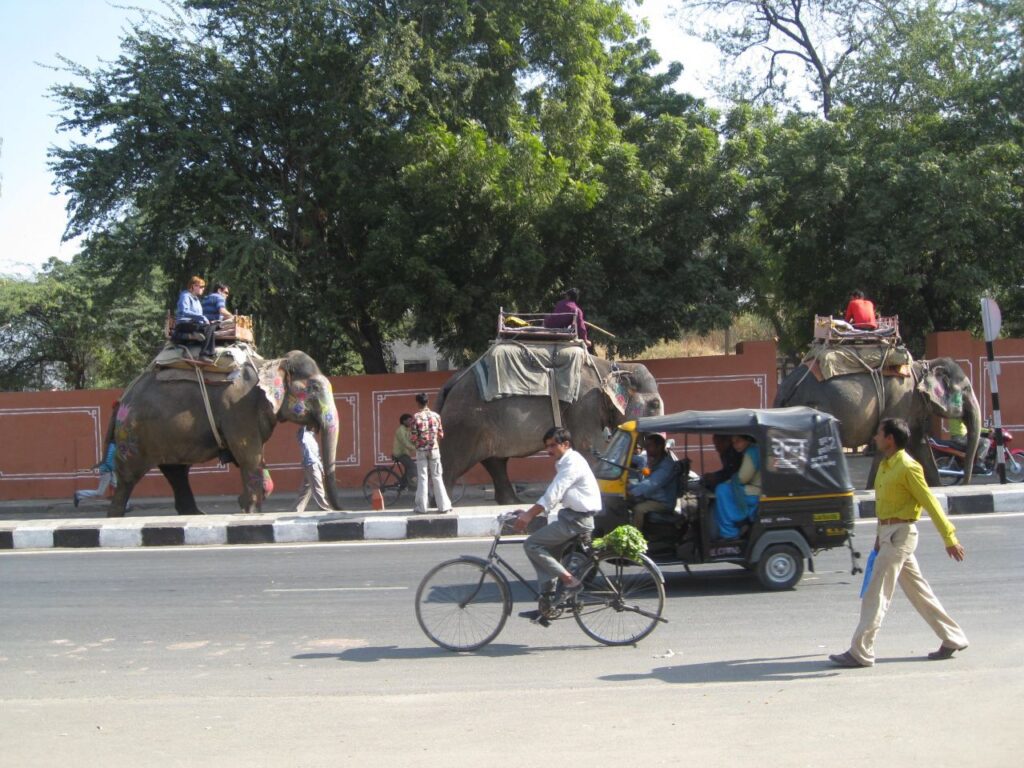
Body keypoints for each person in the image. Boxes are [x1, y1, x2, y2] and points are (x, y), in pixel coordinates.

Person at [829, 418, 969, 668]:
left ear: (890, 439)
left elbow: (930, 502)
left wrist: (950, 538)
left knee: (877, 592)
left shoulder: (907, 466)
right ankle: (953, 637)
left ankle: (861, 651)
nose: (875, 438)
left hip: (901, 535)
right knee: (919, 592)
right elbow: (885, 507)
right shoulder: (885, 465)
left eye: (879, 434)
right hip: (888, 535)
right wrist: (877, 538)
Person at [513, 427, 602, 621]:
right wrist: (528, 512)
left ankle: (570, 581)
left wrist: (529, 515)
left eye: (553, 445)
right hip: (570, 517)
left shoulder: (572, 463)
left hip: (577, 521)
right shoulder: (564, 462)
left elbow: (553, 493)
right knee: (546, 553)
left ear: (566, 444)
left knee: (532, 545)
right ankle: (547, 607)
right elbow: (554, 495)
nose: (549, 450)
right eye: (547, 446)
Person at [712, 434, 761, 539]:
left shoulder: (752, 451)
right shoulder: (750, 450)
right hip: (755, 489)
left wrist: (728, 482)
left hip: (756, 491)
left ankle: (729, 532)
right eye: (733, 442)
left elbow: (743, 478)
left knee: (721, 490)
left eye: (738, 441)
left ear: (747, 440)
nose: (735, 445)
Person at [410, 393, 452, 514]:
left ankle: (422, 507)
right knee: (437, 477)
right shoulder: (436, 416)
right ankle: (443, 506)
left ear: (418, 403)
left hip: (421, 451)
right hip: (434, 450)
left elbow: (413, 438)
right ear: (427, 402)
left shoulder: (416, 417)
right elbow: (441, 435)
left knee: (423, 478)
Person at [626, 433, 678, 530]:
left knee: (639, 509)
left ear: (659, 447)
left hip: (664, 502)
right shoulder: (656, 461)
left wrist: (632, 492)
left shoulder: (667, 465)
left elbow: (652, 483)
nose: (647, 449)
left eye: (649, 446)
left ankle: (635, 539)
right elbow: (646, 481)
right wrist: (628, 487)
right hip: (654, 497)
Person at [174, 275, 217, 361]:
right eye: (201, 287)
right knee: (209, 328)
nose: (203, 289)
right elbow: (184, 311)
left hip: (193, 324)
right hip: (184, 324)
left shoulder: (197, 300)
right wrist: (201, 317)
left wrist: (208, 320)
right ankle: (204, 354)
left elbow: (199, 317)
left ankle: (209, 351)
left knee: (213, 326)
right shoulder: (185, 296)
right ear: (193, 286)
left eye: (203, 287)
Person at [295, 424, 332, 513]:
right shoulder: (304, 435)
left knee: (306, 488)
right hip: (311, 463)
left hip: (313, 463)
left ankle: (297, 509)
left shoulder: (310, 436)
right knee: (317, 486)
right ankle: (324, 507)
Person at [74, 440, 117, 507]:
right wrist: (114, 468)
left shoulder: (113, 446)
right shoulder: (113, 447)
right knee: (99, 493)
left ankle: (124, 505)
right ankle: (79, 494)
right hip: (107, 471)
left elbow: (105, 460)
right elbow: (107, 461)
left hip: (109, 471)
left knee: (119, 487)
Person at [392, 413, 417, 489]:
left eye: (412, 420)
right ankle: (411, 485)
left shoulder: (408, 430)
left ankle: (401, 484)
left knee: (408, 470)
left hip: (405, 453)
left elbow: (412, 441)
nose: (411, 422)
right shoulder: (401, 430)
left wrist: (414, 432)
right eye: (409, 420)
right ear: (404, 421)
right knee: (412, 467)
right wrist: (415, 448)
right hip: (400, 454)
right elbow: (405, 442)